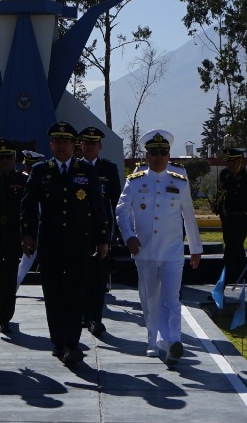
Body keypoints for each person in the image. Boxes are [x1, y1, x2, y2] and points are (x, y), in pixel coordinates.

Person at [21, 120, 109, 367]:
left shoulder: (86, 171)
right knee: (53, 294)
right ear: (51, 144)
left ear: (74, 145)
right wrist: (27, 234)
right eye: (57, 141)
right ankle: (58, 342)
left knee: (75, 293)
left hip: (78, 243)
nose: (62, 146)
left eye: (66, 141)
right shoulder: (41, 171)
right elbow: (27, 205)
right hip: (49, 243)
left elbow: (98, 208)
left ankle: (72, 343)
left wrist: (102, 239)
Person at [116, 129, 201, 366]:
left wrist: (195, 248)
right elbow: (122, 211)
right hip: (144, 251)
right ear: (147, 154)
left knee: (171, 299)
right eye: (154, 152)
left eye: (163, 152)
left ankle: (173, 341)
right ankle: (153, 341)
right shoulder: (135, 181)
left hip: (173, 251)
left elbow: (189, 217)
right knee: (149, 299)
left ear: (169, 154)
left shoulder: (179, 181)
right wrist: (129, 236)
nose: (159, 157)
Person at [77, 125, 120, 337]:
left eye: (94, 143)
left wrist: (119, 231)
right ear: (81, 145)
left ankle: (96, 318)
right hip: (78, 230)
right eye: (87, 142)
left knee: (99, 277)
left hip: (101, 231)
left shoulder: (108, 169)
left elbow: (116, 202)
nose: (90, 146)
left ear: (100, 146)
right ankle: (83, 315)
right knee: (80, 275)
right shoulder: (74, 168)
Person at [212, 145, 247, 300]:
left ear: (241, 161)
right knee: (237, 256)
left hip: (242, 220)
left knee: (229, 255)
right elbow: (221, 195)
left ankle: (219, 289)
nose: (230, 165)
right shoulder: (225, 175)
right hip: (227, 219)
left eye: (233, 162)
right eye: (228, 162)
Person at [0, 139, 28, 335]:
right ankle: (5, 297)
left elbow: (28, 209)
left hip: (13, 236)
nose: (4, 161)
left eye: (8, 157)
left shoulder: (22, 180)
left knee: (10, 278)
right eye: (0, 158)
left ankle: (4, 318)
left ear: (15, 159)